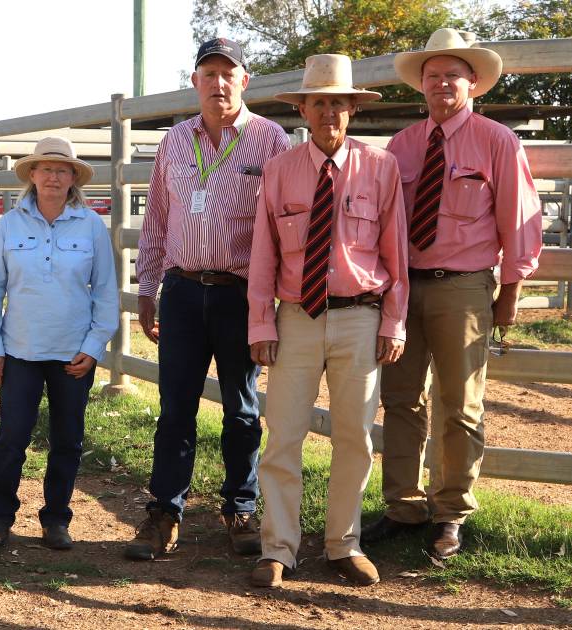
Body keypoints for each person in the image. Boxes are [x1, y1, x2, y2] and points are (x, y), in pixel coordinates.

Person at [362, 28, 543, 560]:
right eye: (433, 75)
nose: (442, 82)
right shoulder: (402, 146)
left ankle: (451, 513)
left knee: (460, 404)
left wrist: (509, 291)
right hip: (402, 286)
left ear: (473, 84)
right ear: (421, 84)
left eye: (453, 75)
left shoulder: (497, 142)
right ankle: (403, 506)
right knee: (399, 399)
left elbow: (519, 221)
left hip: (463, 288)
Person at [245, 54, 408, 588]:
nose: (329, 112)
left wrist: (394, 322)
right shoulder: (280, 170)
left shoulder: (380, 169)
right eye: (320, 102)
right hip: (296, 319)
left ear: (352, 109)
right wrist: (261, 324)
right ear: (304, 110)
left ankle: (344, 543)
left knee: (354, 437)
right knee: (283, 435)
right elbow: (264, 254)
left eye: (339, 102)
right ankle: (278, 547)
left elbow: (396, 253)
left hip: (361, 317)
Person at [126, 37, 291, 561]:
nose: (218, 83)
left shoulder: (271, 140)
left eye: (228, 73)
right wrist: (146, 289)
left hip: (240, 293)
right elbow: (156, 218)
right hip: (179, 289)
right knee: (175, 407)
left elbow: (286, 225)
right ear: (194, 82)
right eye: (208, 73)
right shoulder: (175, 140)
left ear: (245, 81)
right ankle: (164, 512)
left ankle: (241, 508)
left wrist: (271, 304)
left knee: (242, 407)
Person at [0, 136, 119, 550]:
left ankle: (56, 519)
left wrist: (93, 347)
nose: (54, 176)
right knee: (11, 437)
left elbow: (106, 293)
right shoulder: (9, 224)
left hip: (72, 353)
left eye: (62, 169)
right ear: (32, 175)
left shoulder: (91, 225)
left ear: (73, 177)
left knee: (68, 438)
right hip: (19, 349)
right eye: (46, 169)